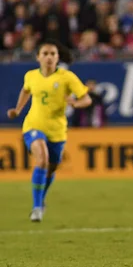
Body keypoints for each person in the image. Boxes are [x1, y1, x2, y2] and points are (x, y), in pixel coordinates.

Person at [6, 40, 92, 222]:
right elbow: (26, 90)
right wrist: (18, 109)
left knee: (51, 169)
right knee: (42, 159)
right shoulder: (31, 76)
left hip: (57, 130)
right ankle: (36, 208)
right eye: (45, 54)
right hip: (33, 126)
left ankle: (41, 200)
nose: (49, 57)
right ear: (38, 57)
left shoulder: (67, 77)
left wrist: (76, 103)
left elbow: (87, 99)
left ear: (58, 57)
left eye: (53, 54)